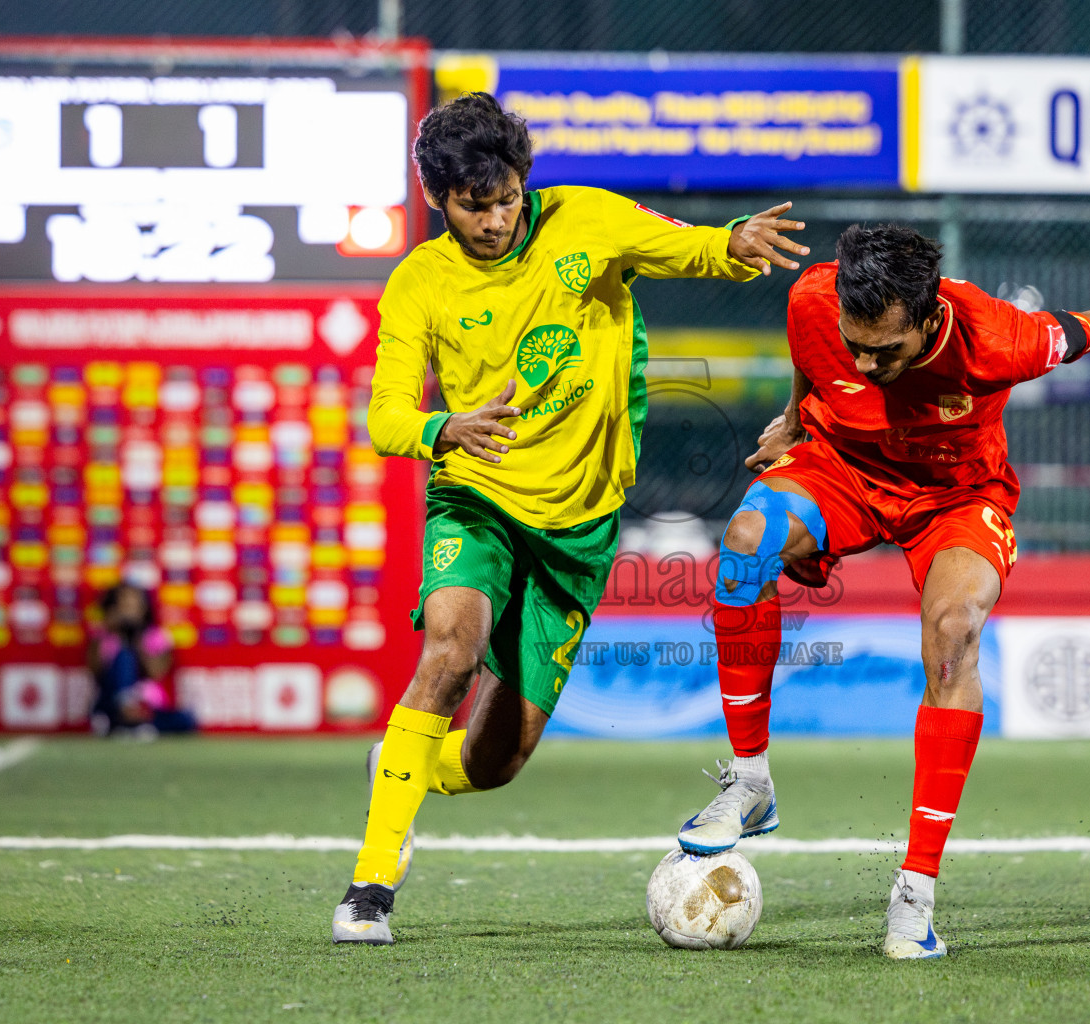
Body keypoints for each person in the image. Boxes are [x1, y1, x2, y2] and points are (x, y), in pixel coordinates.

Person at [680, 224, 1090, 959]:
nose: (866, 365)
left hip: (955, 498)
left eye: (887, 352)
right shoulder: (813, 295)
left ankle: (913, 898)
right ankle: (749, 782)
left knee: (954, 631)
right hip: (843, 472)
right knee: (745, 544)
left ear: (930, 318)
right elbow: (815, 355)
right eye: (856, 344)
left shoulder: (999, 337)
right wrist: (799, 420)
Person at [331, 92, 808, 944]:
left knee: (492, 764)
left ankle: (399, 764)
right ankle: (371, 885)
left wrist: (734, 243)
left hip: (581, 527)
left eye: (509, 196)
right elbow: (386, 416)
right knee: (451, 649)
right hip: (476, 496)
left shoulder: (587, 220)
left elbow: (692, 249)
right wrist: (447, 428)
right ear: (440, 199)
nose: (497, 218)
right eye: (476, 205)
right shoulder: (419, 285)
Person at [86, 583, 197, 737]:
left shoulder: (155, 635)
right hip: (112, 701)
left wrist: (136, 638)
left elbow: (156, 672)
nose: (128, 612)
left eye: (133, 606)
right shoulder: (102, 637)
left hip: (147, 706)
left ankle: (130, 724)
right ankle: (127, 717)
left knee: (186, 720)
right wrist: (116, 634)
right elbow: (95, 672)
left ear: (143, 609)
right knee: (124, 656)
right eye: (123, 606)